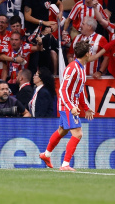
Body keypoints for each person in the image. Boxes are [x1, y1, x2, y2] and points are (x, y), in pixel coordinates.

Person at [39, 41, 95, 171]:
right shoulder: (72, 67)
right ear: (87, 54)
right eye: (90, 51)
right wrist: (71, 107)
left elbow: (78, 90)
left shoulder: (81, 68)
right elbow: (63, 90)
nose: (91, 53)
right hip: (66, 105)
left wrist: (86, 108)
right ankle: (65, 165)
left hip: (70, 105)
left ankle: (46, 154)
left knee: (62, 131)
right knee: (78, 133)